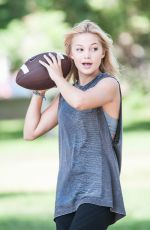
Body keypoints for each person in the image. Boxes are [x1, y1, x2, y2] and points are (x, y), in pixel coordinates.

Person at [24, 19, 126, 230]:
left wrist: (56, 77)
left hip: (98, 189)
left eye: (93, 49)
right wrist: (39, 89)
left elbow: (81, 102)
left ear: (103, 53)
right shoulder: (65, 95)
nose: (87, 55)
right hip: (67, 190)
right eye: (80, 49)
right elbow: (30, 132)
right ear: (71, 55)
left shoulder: (108, 85)